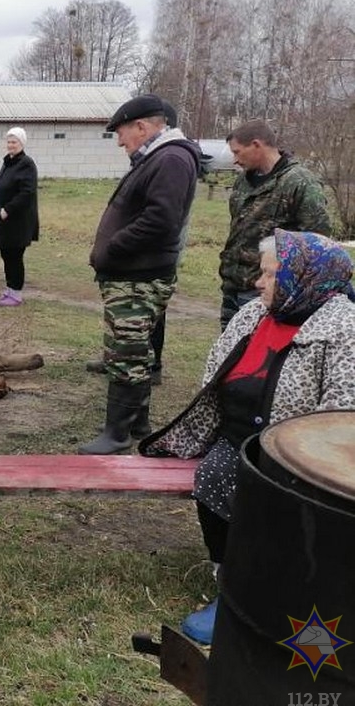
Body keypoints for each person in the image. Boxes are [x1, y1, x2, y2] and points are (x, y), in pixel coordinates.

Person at [139, 229, 355, 644]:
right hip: (238, 437)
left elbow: (340, 419)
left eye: (270, 275)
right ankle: (233, 584)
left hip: (303, 455)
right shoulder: (255, 313)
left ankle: (282, 594)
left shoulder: (343, 328)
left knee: (275, 499)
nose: (259, 283)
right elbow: (215, 374)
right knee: (215, 476)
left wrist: (293, 457)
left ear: (303, 278)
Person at [77, 94, 199, 455]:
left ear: (142, 127)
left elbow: (161, 221)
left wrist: (112, 247)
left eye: (122, 133)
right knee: (135, 349)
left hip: (139, 277)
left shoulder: (172, 159)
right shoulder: (159, 158)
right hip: (134, 275)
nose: (119, 141)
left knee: (126, 352)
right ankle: (139, 421)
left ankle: (117, 434)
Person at [218, 119, 331, 330]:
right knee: (227, 354)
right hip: (233, 286)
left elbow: (318, 242)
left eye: (237, 152)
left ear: (256, 145)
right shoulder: (244, 181)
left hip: (268, 290)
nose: (235, 160)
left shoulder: (299, 182)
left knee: (257, 357)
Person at [0, 127, 39, 307]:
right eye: (8, 142)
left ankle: (16, 295)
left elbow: (27, 192)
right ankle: (10, 290)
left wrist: (8, 209)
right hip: (5, 222)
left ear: (22, 143)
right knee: (7, 255)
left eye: (14, 142)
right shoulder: (9, 162)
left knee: (14, 256)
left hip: (17, 222)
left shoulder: (26, 163)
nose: (10, 145)